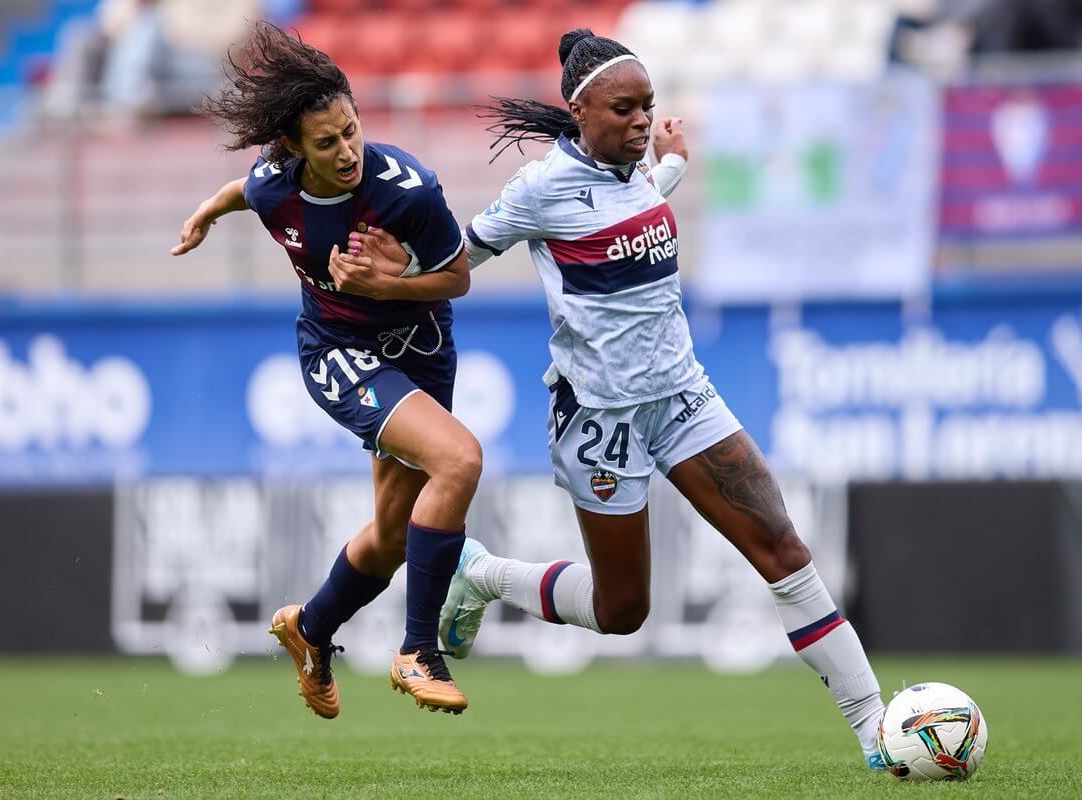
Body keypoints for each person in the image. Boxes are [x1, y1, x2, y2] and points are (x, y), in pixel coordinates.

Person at [348, 28, 888, 768]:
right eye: (626, 109)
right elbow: (462, 252)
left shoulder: (637, 168)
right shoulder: (541, 190)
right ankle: (480, 575)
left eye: (649, 107)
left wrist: (671, 161)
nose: (641, 121)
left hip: (683, 396)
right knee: (622, 610)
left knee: (783, 549)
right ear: (581, 113)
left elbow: (639, 198)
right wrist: (394, 272)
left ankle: (877, 730)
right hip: (600, 422)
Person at [170, 21, 479, 716]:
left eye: (351, 130)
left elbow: (458, 277)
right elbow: (243, 191)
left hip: (422, 353)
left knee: (393, 537)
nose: (347, 152)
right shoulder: (276, 188)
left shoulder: (409, 192)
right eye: (326, 142)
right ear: (291, 148)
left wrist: (387, 287)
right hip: (339, 354)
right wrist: (206, 213)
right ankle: (417, 651)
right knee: (460, 461)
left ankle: (308, 630)